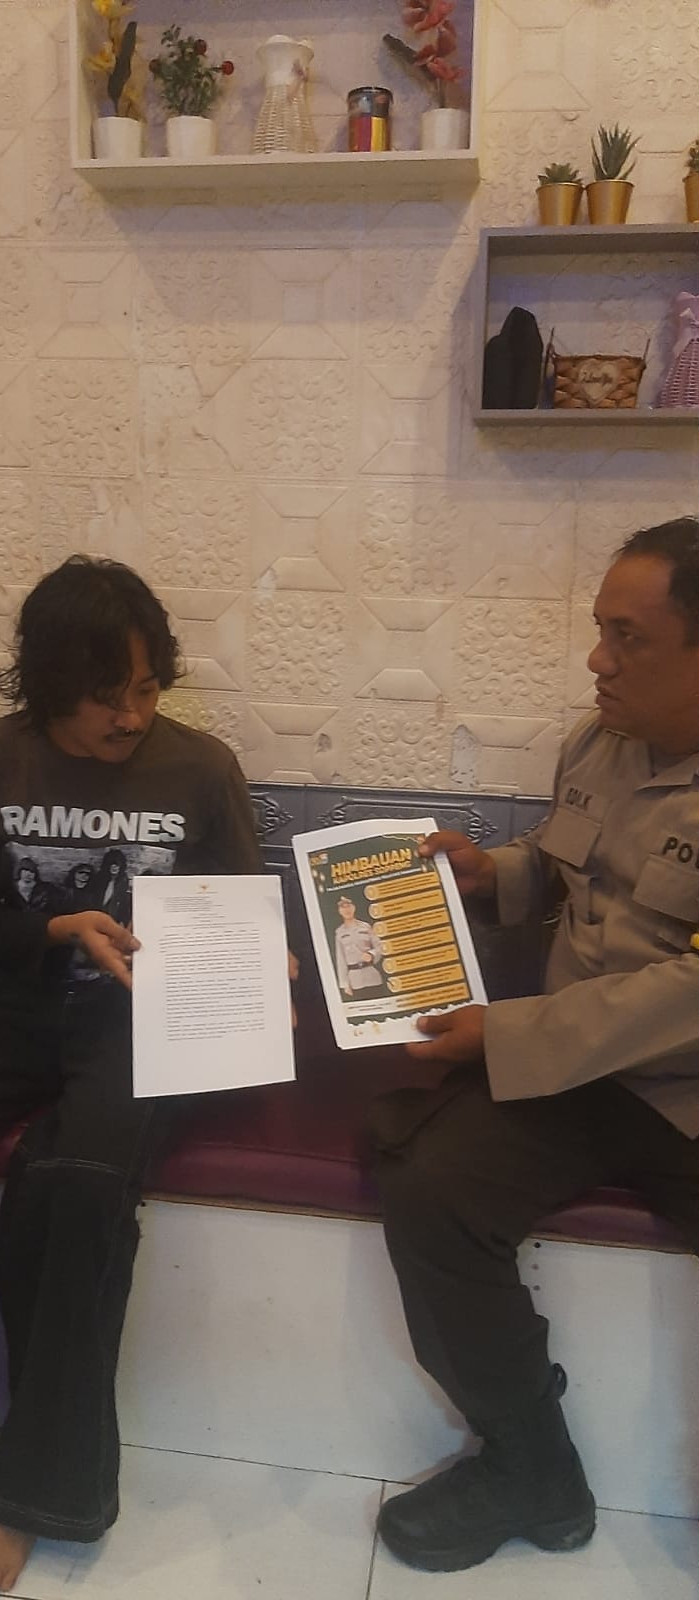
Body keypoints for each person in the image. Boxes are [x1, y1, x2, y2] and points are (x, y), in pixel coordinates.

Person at [373, 516, 699, 1574]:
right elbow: (570, 870)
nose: (596, 660)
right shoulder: (596, 741)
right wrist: (491, 875)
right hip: (575, 1071)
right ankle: (530, 1467)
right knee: (429, 1189)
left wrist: (500, 1035)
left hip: (683, 1094)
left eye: (626, 637)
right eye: (599, 630)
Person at [0, 555, 262, 1596]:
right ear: (48, 685)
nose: (131, 716)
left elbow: (237, 915)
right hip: (17, 1004)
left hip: (143, 1018)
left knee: (78, 1188)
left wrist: (258, 972)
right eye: (104, 695)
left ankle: (37, 1493)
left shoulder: (201, 768)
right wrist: (54, 929)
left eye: (145, 687)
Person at [334, 893, 384, 997]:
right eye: (343, 907)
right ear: (339, 911)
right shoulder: (339, 933)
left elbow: (379, 946)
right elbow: (341, 960)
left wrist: (371, 954)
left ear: (354, 907)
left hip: (372, 977)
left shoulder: (365, 927)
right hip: (355, 981)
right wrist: (345, 984)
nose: (347, 910)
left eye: (348, 906)